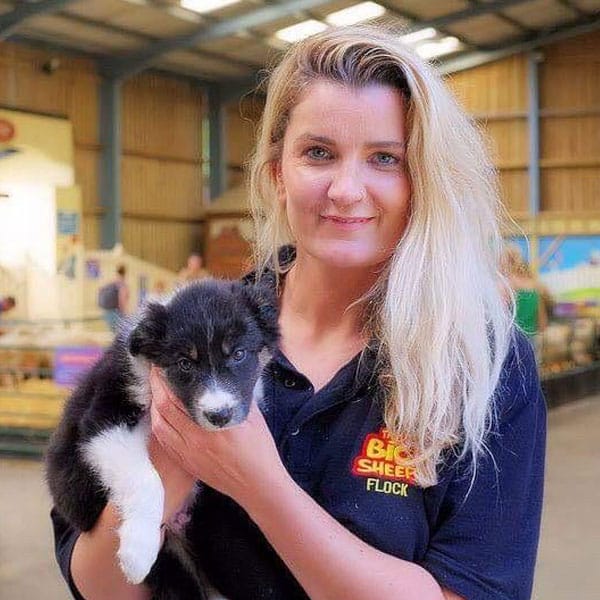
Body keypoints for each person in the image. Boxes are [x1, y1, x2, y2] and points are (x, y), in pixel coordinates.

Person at [51, 25, 546, 600]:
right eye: (318, 153)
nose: (345, 189)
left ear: (421, 181)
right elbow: (96, 584)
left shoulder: (483, 364)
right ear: (276, 171)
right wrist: (170, 468)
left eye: (385, 158)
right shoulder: (191, 338)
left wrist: (263, 488)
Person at [501, 244, 550, 337]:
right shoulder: (535, 286)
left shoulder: (511, 284)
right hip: (531, 335)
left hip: (515, 336)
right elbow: (542, 318)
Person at [99, 264, 129, 333]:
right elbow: (122, 299)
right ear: (125, 272)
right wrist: (124, 312)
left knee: (113, 332)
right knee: (119, 333)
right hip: (116, 312)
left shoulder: (111, 281)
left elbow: (100, 290)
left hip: (107, 311)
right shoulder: (122, 283)